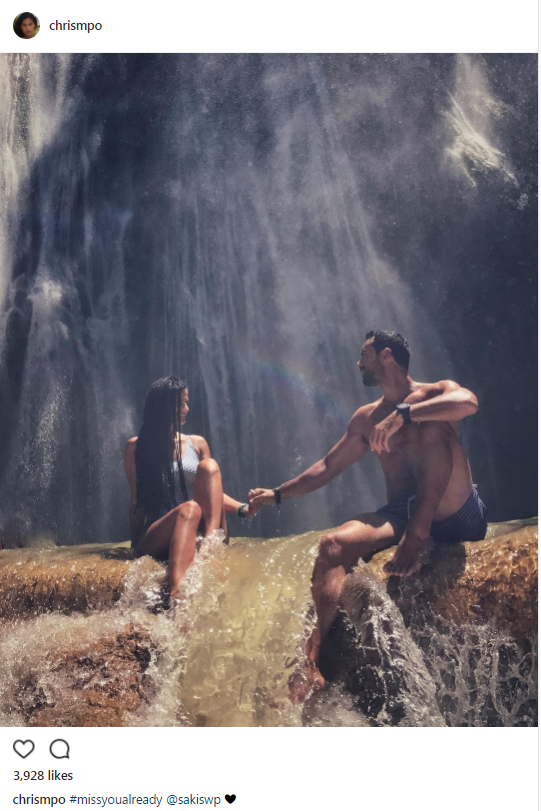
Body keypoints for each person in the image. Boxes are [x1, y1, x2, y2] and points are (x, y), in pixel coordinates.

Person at [248, 330, 487, 701]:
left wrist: (404, 415)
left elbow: (468, 402)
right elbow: (327, 466)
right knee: (332, 546)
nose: (358, 363)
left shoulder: (435, 392)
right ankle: (312, 663)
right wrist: (277, 494)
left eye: (364, 355)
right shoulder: (367, 418)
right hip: (401, 511)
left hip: (454, 507)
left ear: (386, 355)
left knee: (432, 426)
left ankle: (419, 532)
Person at [124, 376, 258, 600]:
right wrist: (135, 545)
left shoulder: (197, 444)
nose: (187, 408)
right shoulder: (136, 448)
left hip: (202, 531)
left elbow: (212, 494)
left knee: (209, 467)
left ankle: (210, 545)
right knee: (190, 509)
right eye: (181, 403)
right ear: (164, 405)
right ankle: (178, 595)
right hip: (161, 533)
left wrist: (242, 508)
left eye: (187, 402)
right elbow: (135, 501)